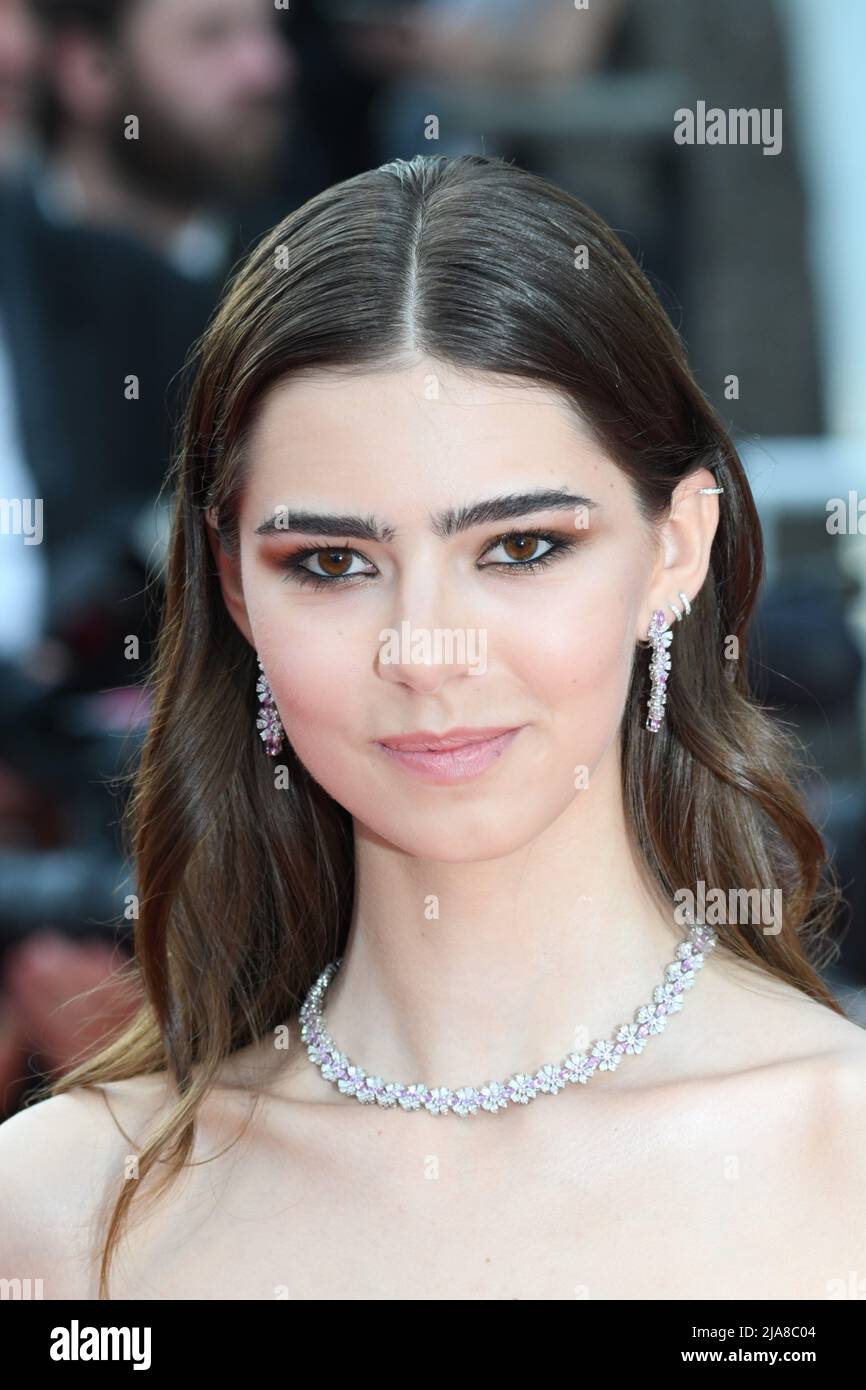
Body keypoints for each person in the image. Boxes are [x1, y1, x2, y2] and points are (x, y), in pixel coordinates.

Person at [1, 153, 864, 1301]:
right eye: (332, 562)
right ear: (236, 587)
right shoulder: (60, 1209)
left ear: (676, 546)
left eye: (518, 548)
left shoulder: (838, 1156)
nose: (424, 651)